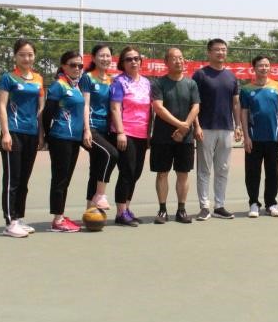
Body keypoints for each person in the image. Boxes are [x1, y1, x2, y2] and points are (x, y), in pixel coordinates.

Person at [0, 38, 44, 238]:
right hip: (13, 132)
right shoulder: (8, 78)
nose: (27, 58)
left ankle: (19, 217)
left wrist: (40, 133)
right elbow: (2, 106)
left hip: (31, 134)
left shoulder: (38, 79)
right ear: (15, 56)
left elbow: (40, 107)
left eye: (30, 54)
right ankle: (10, 222)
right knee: (12, 178)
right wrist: (6, 133)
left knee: (24, 179)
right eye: (22, 55)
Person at [192, 38, 242, 220]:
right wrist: (196, 126)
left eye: (223, 49)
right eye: (217, 49)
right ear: (209, 52)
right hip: (205, 128)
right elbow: (194, 103)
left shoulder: (231, 76)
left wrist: (238, 126)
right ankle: (204, 207)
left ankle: (219, 206)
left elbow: (235, 103)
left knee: (223, 169)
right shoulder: (200, 75)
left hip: (227, 129)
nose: (221, 52)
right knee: (204, 170)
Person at [150, 48, 200, 224]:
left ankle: (181, 210)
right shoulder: (158, 83)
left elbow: (196, 107)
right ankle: (162, 210)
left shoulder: (191, 84)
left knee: (183, 174)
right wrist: (181, 125)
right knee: (162, 173)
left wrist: (185, 129)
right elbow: (158, 108)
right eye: (174, 58)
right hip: (162, 137)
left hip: (185, 138)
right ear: (166, 62)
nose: (179, 61)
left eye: (181, 58)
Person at [42, 50, 85, 232]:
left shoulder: (75, 86)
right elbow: (47, 114)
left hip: (74, 139)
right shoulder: (58, 86)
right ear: (64, 66)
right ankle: (57, 220)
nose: (77, 68)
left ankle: (60, 214)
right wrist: (46, 136)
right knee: (60, 179)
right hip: (60, 137)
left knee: (65, 179)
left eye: (80, 65)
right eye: (73, 65)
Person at [240, 55, 278, 218]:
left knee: (272, 172)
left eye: (267, 65)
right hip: (254, 139)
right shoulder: (246, 89)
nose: (264, 68)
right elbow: (244, 113)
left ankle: (271, 203)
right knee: (252, 173)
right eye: (261, 65)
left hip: (273, 138)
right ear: (254, 68)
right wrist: (246, 136)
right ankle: (254, 203)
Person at [110, 46, 152, 226]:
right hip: (125, 133)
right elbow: (115, 108)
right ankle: (120, 213)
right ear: (122, 63)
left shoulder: (147, 82)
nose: (133, 62)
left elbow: (150, 110)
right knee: (127, 171)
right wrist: (120, 132)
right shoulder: (119, 82)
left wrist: (149, 134)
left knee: (136, 172)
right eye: (129, 59)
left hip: (142, 134)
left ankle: (127, 208)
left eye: (136, 58)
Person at [81, 43, 119, 211]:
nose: (105, 59)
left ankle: (90, 209)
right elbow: (85, 104)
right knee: (111, 154)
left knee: (96, 168)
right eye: (101, 55)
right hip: (91, 128)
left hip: (106, 129)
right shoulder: (87, 78)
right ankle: (100, 195)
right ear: (94, 58)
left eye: (108, 56)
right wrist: (86, 130)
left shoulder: (112, 80)